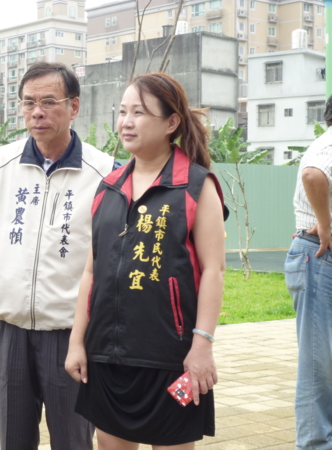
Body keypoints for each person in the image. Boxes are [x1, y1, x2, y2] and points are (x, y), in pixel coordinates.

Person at [65, 72, 226, 450]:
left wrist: (201, 345)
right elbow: (91, 271)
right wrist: (76, 342)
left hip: (173, 359)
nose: (126, 121)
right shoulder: (108, 187)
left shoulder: (197, 186)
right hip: (107, 356)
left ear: (171, 123)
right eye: (122, 111)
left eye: (138, 112)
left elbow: (214, 271)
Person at [0, 62, 115, 450]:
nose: (37, 112)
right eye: (28, 102)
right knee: (14, 439)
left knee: (72, 440)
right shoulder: (3, 161)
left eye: (49, 102)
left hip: (70, 332)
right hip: (10, 327)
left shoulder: (103, 171)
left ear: (74, 106)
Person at [285, 95, 332, 450]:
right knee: (318, 364)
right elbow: (313, 175)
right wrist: (325, 223)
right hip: (318, 255)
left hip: (318, 255)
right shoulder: (329, 144)